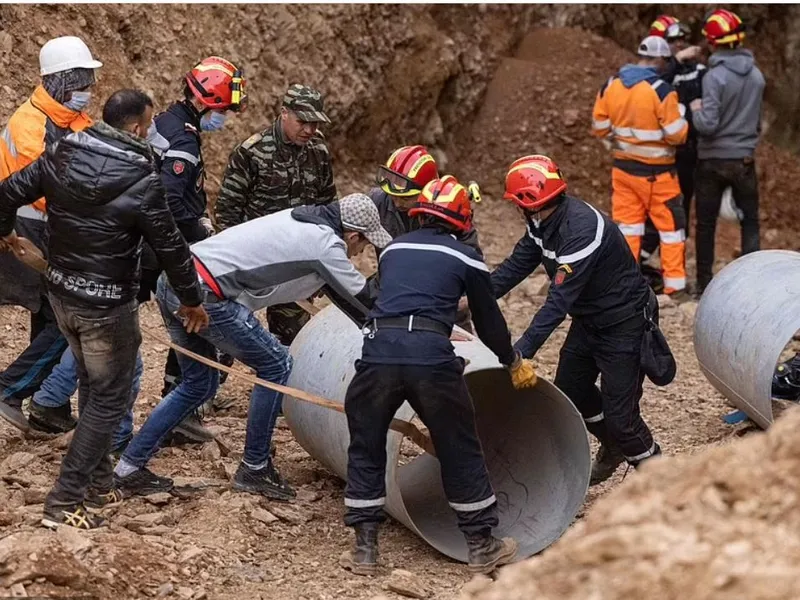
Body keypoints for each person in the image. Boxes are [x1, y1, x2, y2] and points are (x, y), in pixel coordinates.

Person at [0, 89, 207, 529]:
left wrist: (7, 234)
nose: (150, 131)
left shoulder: (60, 152)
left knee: (93, 386)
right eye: (148, 124)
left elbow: (8, 191)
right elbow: (171, 246)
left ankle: (96, 482)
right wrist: (192, 300)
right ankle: (65, 499)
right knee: (108, 398)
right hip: (108, 304)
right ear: (135, 127)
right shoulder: (142, 177)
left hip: (60, 293)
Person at [113, 193, 390, 501]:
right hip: (206, 296)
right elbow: (366, 299)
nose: (358, 252)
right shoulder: (326, 244)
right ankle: (255, 466)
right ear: (352, 234)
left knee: (197, 384)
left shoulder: (300, 217)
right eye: (362, 245)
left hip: (178, 280)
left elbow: (343, 298)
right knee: (277, 365)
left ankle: (128, 467)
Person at [340, 175, 535, 576]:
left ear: (421, 213)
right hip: (430, 357)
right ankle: (482, 545)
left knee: (367, 442)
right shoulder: (466, 257)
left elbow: (383, 298)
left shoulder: (392, 249)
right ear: (462, 218)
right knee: (458, 444)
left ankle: (365, 550)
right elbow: (488, 318)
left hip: (378, 353)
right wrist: (510, 358)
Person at [489, 155, 661, 485]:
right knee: (571, 390)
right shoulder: (541, 224)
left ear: (529, 203)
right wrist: (474, 301)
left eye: (515, 203)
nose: (515, 209)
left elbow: (557, 303)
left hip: (624, 324)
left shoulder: (582, 232)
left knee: (623, 418)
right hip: (589, 321)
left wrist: (519, 353)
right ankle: (612, 445)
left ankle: (663, 485)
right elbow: (515, 267)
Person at [139, 56, 248, 442]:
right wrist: (197, 227)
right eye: (222, 110)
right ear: (204, 102)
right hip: (161, 243)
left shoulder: (167, 121)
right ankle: (180, 404)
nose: (224, 118)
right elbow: (168, 198)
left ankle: (49, 398)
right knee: (195, 311)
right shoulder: (183, 137)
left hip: (144, 238)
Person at [0, 36, 101, 431]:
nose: (86, 92)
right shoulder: (29, 124)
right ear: (58, 80)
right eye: (80, 83)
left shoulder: (68, 119)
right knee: (67, 320)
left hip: (56, 232)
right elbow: (46, 186)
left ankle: (49, 408)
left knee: (50, 318)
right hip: (29, 233)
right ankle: (10, 388)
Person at [214, 83, 336, 346]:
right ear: (284, 113)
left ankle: (277, 385)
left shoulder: (318, 152)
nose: (309, 130)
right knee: (225, 338)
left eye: (315, 124)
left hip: (295, 262)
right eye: (303, 122)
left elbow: (328, 209)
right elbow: (227, 212)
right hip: (251, 259)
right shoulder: (252, 152)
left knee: (292, 342)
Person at [592, 35, 690, 301]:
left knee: (628, 229)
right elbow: (677, 135)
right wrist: (681, 114)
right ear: (660, 59)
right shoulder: (661, 90)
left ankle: (624, 285)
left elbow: (599, 127)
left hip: (623, 171)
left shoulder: (612, 84)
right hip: (658, 175)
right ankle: (675, 288)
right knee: (671, 230)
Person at [691, 8, 765, 295]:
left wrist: (695, 111)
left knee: (706, 224)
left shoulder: (715, 76)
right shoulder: (757, 76)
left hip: (712, 159)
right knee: (750, 221)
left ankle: (703, 286)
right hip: (743, 159)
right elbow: (757, 123)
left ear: (713, 42)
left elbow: (707, 125)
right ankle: (752, 287)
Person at [369, 144, 480, 331]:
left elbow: (471, 259)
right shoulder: (377, 202)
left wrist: (468, 297)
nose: (396, 203)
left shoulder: (451, 210)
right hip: (392, 292)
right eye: (392, 196)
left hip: (442, 301)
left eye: (405, 199)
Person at [640, 16, 707, 291]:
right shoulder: (657, 73)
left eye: (681, 39)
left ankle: (673, 274)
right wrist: (676, 60)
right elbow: (654, 86)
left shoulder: (697, 70)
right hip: (659, 155)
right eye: (672, 41)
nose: (679, 44)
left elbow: (705, 98)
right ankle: (638, 265)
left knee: (678, 216)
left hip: (686, 154)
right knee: (649, 218)